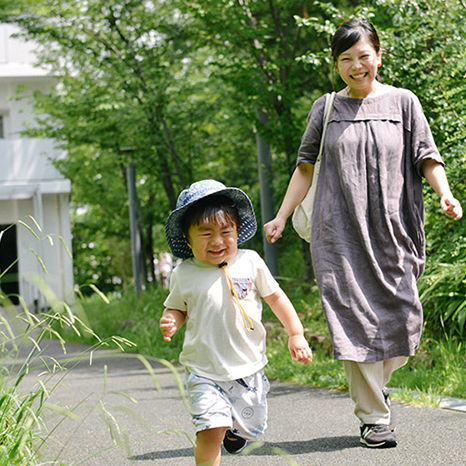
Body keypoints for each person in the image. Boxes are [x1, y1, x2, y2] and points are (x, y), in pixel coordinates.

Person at [264, 18, 462, 449]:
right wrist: (281, 216)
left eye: (363, 56)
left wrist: (445, 194)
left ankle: (374, 384)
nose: (356, 66)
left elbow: (427, 156)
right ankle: (374, 418)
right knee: (351, 321)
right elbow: (304, 168)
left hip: (394, 231)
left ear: (378, 55)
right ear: (336, 63)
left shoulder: (404, 103)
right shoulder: (326, 108)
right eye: (346, 59)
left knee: (405, 320)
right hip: (339, 234)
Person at [160, 179, 313, 465]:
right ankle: (220, 431)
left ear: (237, 231)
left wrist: (296, 333)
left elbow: (276, 298)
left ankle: (235, 431)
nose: (217, 241)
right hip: (204, 370)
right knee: (209, 430)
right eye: (206, 233)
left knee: (249, 427)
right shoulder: (184, 274)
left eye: (225, 232)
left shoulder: (250, 261)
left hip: (248, 366)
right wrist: (171, 320)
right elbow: (177, 308)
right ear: (187, 237)